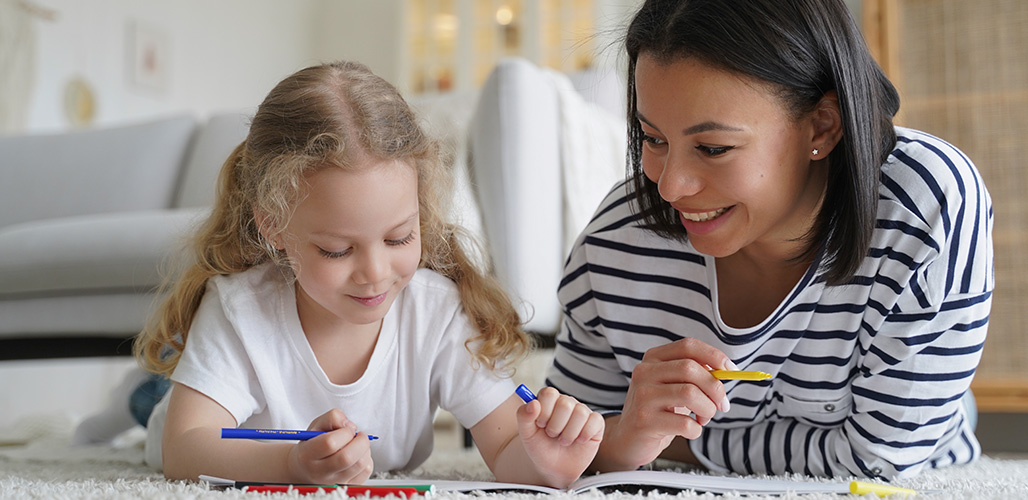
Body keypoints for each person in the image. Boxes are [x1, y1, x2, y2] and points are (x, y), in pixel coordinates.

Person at [546, 0, 992, 480]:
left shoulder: (925, 204)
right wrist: (616, 438)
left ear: (822, 125)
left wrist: (660, 443)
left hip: (931, 447)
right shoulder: (615, 241)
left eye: (713, 148)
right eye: (653, 139)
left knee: (942, 411)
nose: (670, 187)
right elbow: (560, 446)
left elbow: (878, 462)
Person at [129, 60, 603, 487]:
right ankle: (143, 392)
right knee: (150, 401)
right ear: (272, 225)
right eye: (337, 251)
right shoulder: (238, 308)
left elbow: (506, 448)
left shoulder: (436, 312)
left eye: (399, 239)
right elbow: (183, 448)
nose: (375, 275)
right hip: (187, 415)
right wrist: (291, 465)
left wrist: (547, 457)